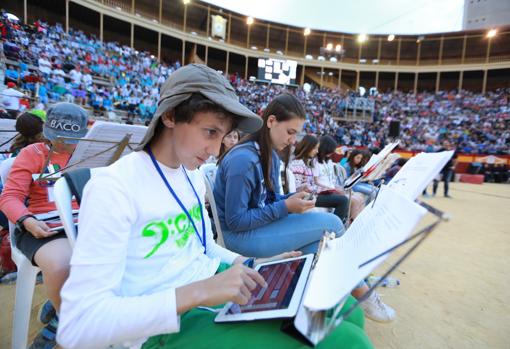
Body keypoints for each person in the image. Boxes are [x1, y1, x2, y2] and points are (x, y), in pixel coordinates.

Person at [57, 64, 373, 349]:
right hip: (165, 328)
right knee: (347, 342)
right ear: (169, 116)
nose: (213, 150)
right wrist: (201, 292)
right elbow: (78, 327)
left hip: (212, 286)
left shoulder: (190, 175)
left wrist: (252, 263)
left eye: (221, 136)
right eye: (209, 132)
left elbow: (206, 247)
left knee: (344, 310)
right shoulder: (113, 188)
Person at [0, 103, 89, 349]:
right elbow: (9, 197)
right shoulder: (32, 153)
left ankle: (65, 305)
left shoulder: (88, 153)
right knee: (61, 263)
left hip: (83, 220)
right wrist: (27, 220)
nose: (66, 144)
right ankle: (67, 321)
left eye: (72, 139)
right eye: (59, 138)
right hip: (41, 225)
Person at [214, 93, 344, 258]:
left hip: (257, 227)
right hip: (238, 236)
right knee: (334, 223)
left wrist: (292, 198)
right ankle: (358, 282)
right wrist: (286, 206)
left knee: (319, 247)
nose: (292, 140)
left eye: (296, 134)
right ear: (271, 121)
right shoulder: (243, 161)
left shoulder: (271, 156)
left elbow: (266, 200)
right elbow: (236, 221)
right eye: (290, 132)